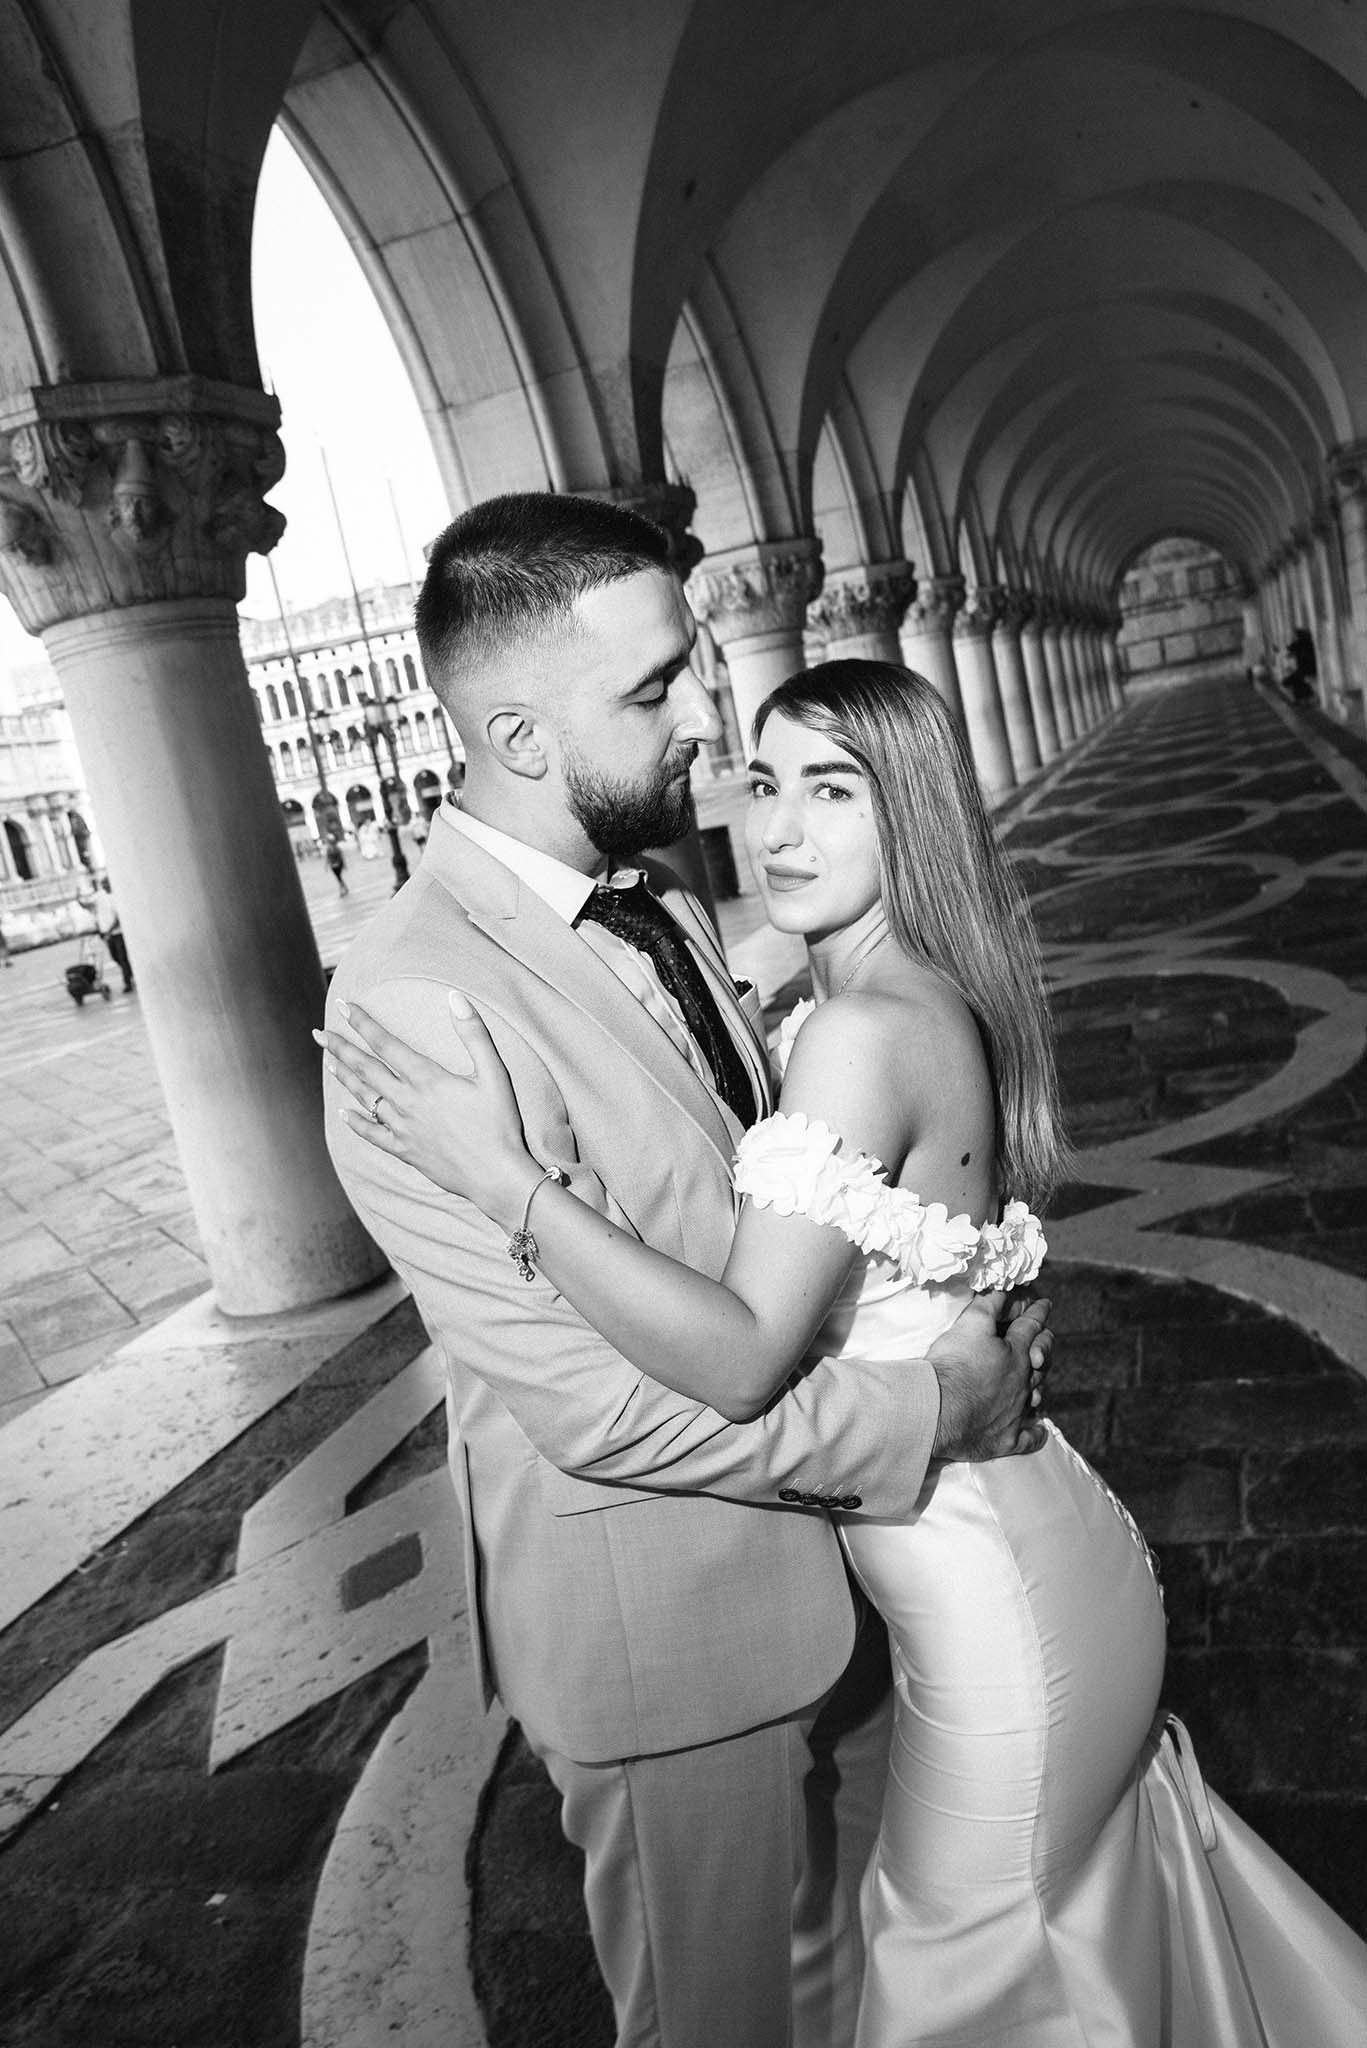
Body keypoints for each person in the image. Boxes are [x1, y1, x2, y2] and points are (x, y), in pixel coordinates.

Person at [327, 657, 1367, 2046]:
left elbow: (751, 1351)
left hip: (987, 1588)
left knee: (965, 1980)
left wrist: (507, 1180)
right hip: (998, 1546)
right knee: (1015, 1956)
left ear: (914, 818)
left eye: (833, 790)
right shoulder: (866, 997)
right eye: (763, 784)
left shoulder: (861, 1032)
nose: (774, 829)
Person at [319, 496, 1050, 2048]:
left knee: (881, 2000)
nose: (704, 720)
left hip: (855, 1593)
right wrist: (931, 1414)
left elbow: (764, 1201)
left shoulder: (654, 894)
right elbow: (606, 1414)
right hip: (667, 1631)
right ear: (519, 735)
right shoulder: (413, 1005)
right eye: (654, 690)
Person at [93, 877, 133, 991]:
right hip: (108, 934)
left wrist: (109, 932)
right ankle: (130, 973)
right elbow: (91, 906)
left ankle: (127, 982)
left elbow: (118, 919)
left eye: (106, 883)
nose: (104, 886)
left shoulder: (117, 897)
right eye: (103, 884)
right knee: (115, 957)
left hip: (118, 933)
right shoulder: (101, 896)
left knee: (122, 957)